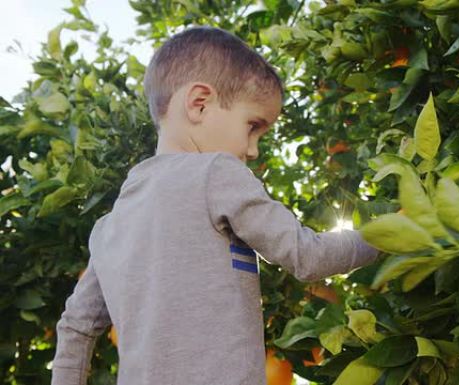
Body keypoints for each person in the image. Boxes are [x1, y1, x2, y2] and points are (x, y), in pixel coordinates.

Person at [50, 26, 378, 385]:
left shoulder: (109, 226)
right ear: (199, 104)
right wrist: (390, 235)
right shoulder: (215, 172)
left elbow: (76, 326)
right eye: (252, 126)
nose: (253, 149)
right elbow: (307, 255)